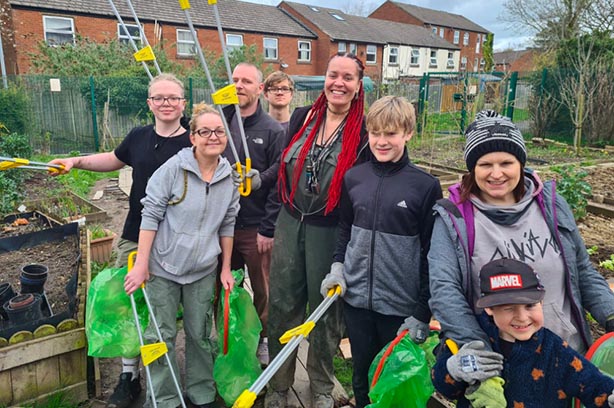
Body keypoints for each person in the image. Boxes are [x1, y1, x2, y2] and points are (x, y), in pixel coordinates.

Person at [428, 110, 614, 400]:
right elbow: (444, 291)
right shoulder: (455, 219)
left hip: (565, 359)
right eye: (485, 164)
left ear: (521, 163)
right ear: (471, 168)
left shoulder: (551, 205)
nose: (496, 173)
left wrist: (610, 313)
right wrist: (476, 347)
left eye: (506, 162)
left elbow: (582, 270)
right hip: (501, 363)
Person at [50, 73, 192, 408]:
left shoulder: (194, 142)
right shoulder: (138, 137)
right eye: (159, 98)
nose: (166, 103)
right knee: (129, 305)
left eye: (173, 97)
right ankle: (130, 376)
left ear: (183, 103)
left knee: (171, 308)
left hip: (178, 239)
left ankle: (172, 374)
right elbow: (112, 159)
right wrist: (75, 161)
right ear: (149, 103)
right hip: (134, 234)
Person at [319, 95, 442, 408]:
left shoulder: (424, 186)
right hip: (357, 300)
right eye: (376, 133)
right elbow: (345, 230)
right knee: (362, 374)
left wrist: (421, 312)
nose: (382, 141)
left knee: (394, 379)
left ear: (408, 133)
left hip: (399, 307)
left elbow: (432, 252)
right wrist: (337, 268)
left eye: (391, 134)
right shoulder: (354, 177)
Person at [266, 52, 371, 408]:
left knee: (325, 310)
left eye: (347, 78)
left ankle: (322, 386)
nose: (338, 83)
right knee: (282, 304)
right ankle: (279, 383)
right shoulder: (302, 117)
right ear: (324, 79)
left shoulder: (365, 132)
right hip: (290, 221)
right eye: (332, 75)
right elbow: (281, 168)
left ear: (358, 87)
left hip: (331, 230)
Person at [124, 103, 239, 408]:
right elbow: (150, 216)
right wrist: (142, 264)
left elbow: (228, 224)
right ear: (193, 137)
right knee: (160, 336)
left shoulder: (230, 177)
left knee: (200, 335)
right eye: (205, 131)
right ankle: (166, 398)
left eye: (218, 131)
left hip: (203, 269)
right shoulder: (173, 170)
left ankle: (202, 392)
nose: (212, 137)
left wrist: (225, 268)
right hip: (163, 267)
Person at [432, 258, 614, 408]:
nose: (522, 317)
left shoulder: (556, 350)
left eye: (530, 305)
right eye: (509, 308)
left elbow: (593, 386)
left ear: (541, 302)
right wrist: (454, 369)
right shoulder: (471, 340)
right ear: (489, 309)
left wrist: (610, 397)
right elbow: (446, 388)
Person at [223, 62, 285, 366]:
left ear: (260, 89)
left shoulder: (272, 130)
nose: (239, 85)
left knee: (263, 290)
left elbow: (279, 181)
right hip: (223, 227)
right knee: (226, 286)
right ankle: (233, 335)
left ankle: (261, 339)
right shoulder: (223, 123)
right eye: (234, 80)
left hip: (256, 227)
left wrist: (268, 228)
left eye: (246, 81)